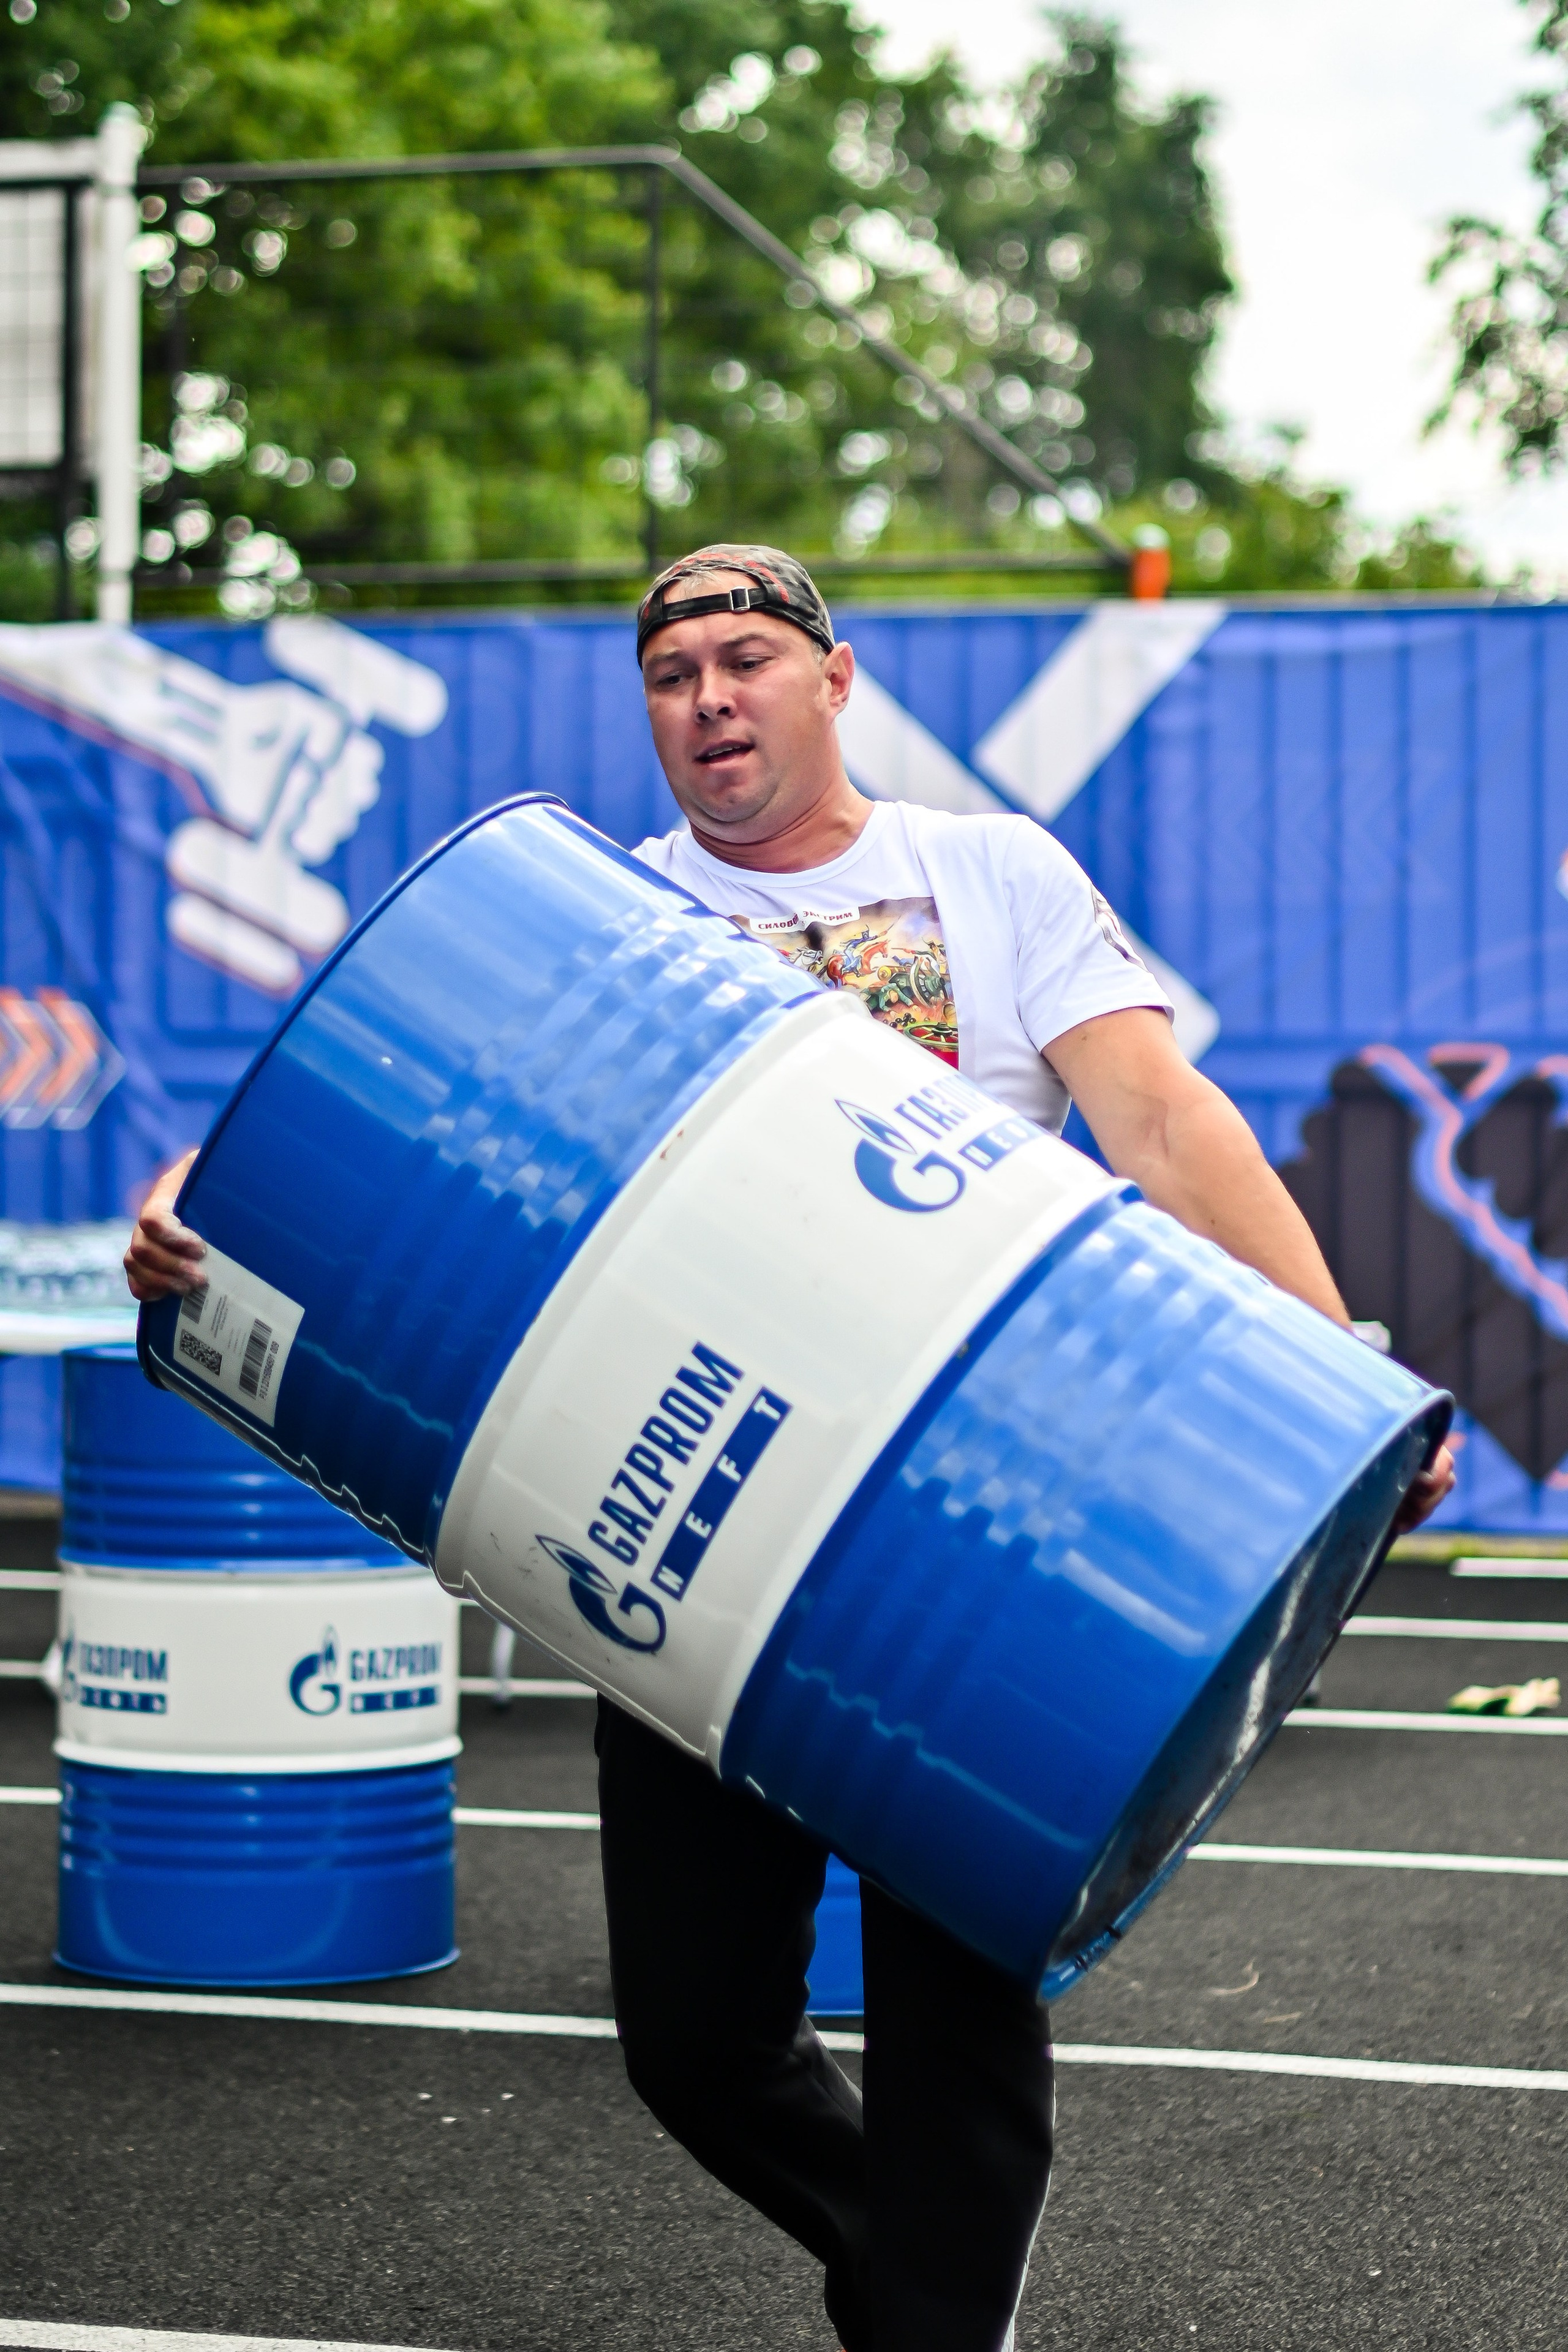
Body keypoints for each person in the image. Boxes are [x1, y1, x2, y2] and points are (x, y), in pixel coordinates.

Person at [126, 544, 1456, 2352]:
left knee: (958, 2024)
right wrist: (195, 1206)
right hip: (687, 1532)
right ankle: (913, 2285)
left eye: (746, 659)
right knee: (691, 2039)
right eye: (672, 676)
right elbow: (398, 1117)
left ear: (837, 678)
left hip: (976, 1522)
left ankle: (926, 2324)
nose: (709, 700)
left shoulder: (984, 875)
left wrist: (1345, 1364)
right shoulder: (605, 916)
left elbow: (1159, 1113)